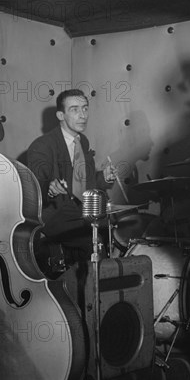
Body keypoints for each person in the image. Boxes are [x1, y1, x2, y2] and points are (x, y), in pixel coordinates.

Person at [27, 89, 116, 264]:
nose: (82, 115)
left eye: (85, 108)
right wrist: (50, 189)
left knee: (112, 225)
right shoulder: (42, 145)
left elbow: (83, 184)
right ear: (60, 115)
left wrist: (103, 178)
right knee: (91, 239)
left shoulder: (82, 141)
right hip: (53, 215)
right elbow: (34, 189)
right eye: (74, 110)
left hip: (79, 212)